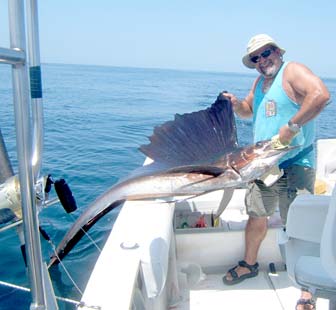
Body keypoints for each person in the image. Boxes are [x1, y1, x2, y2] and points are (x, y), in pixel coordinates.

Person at [220, 34, 330, 310]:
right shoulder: (260, 82)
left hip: (295, 162)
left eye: (266, 53)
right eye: (255, 58)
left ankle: (308, 288)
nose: (262, 60)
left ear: (278, 51)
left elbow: (321, 95)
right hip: (263, 164)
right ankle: (249, 264)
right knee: (256, 215)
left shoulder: (292, 71)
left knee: (301, 224)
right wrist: (237, 105)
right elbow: (249, 112)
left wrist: (292, 127)